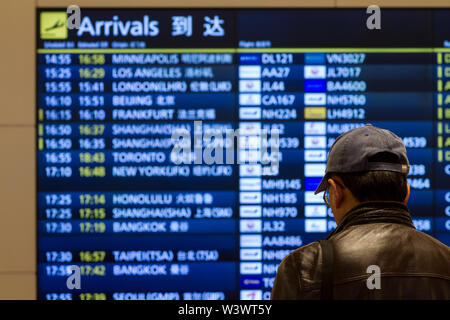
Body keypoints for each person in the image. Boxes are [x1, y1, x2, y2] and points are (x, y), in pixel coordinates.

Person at [271, 124, 450, 299]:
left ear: (337, 192)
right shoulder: (446, 261)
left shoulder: (305, 267)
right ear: (406, 194)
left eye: (328, 195)